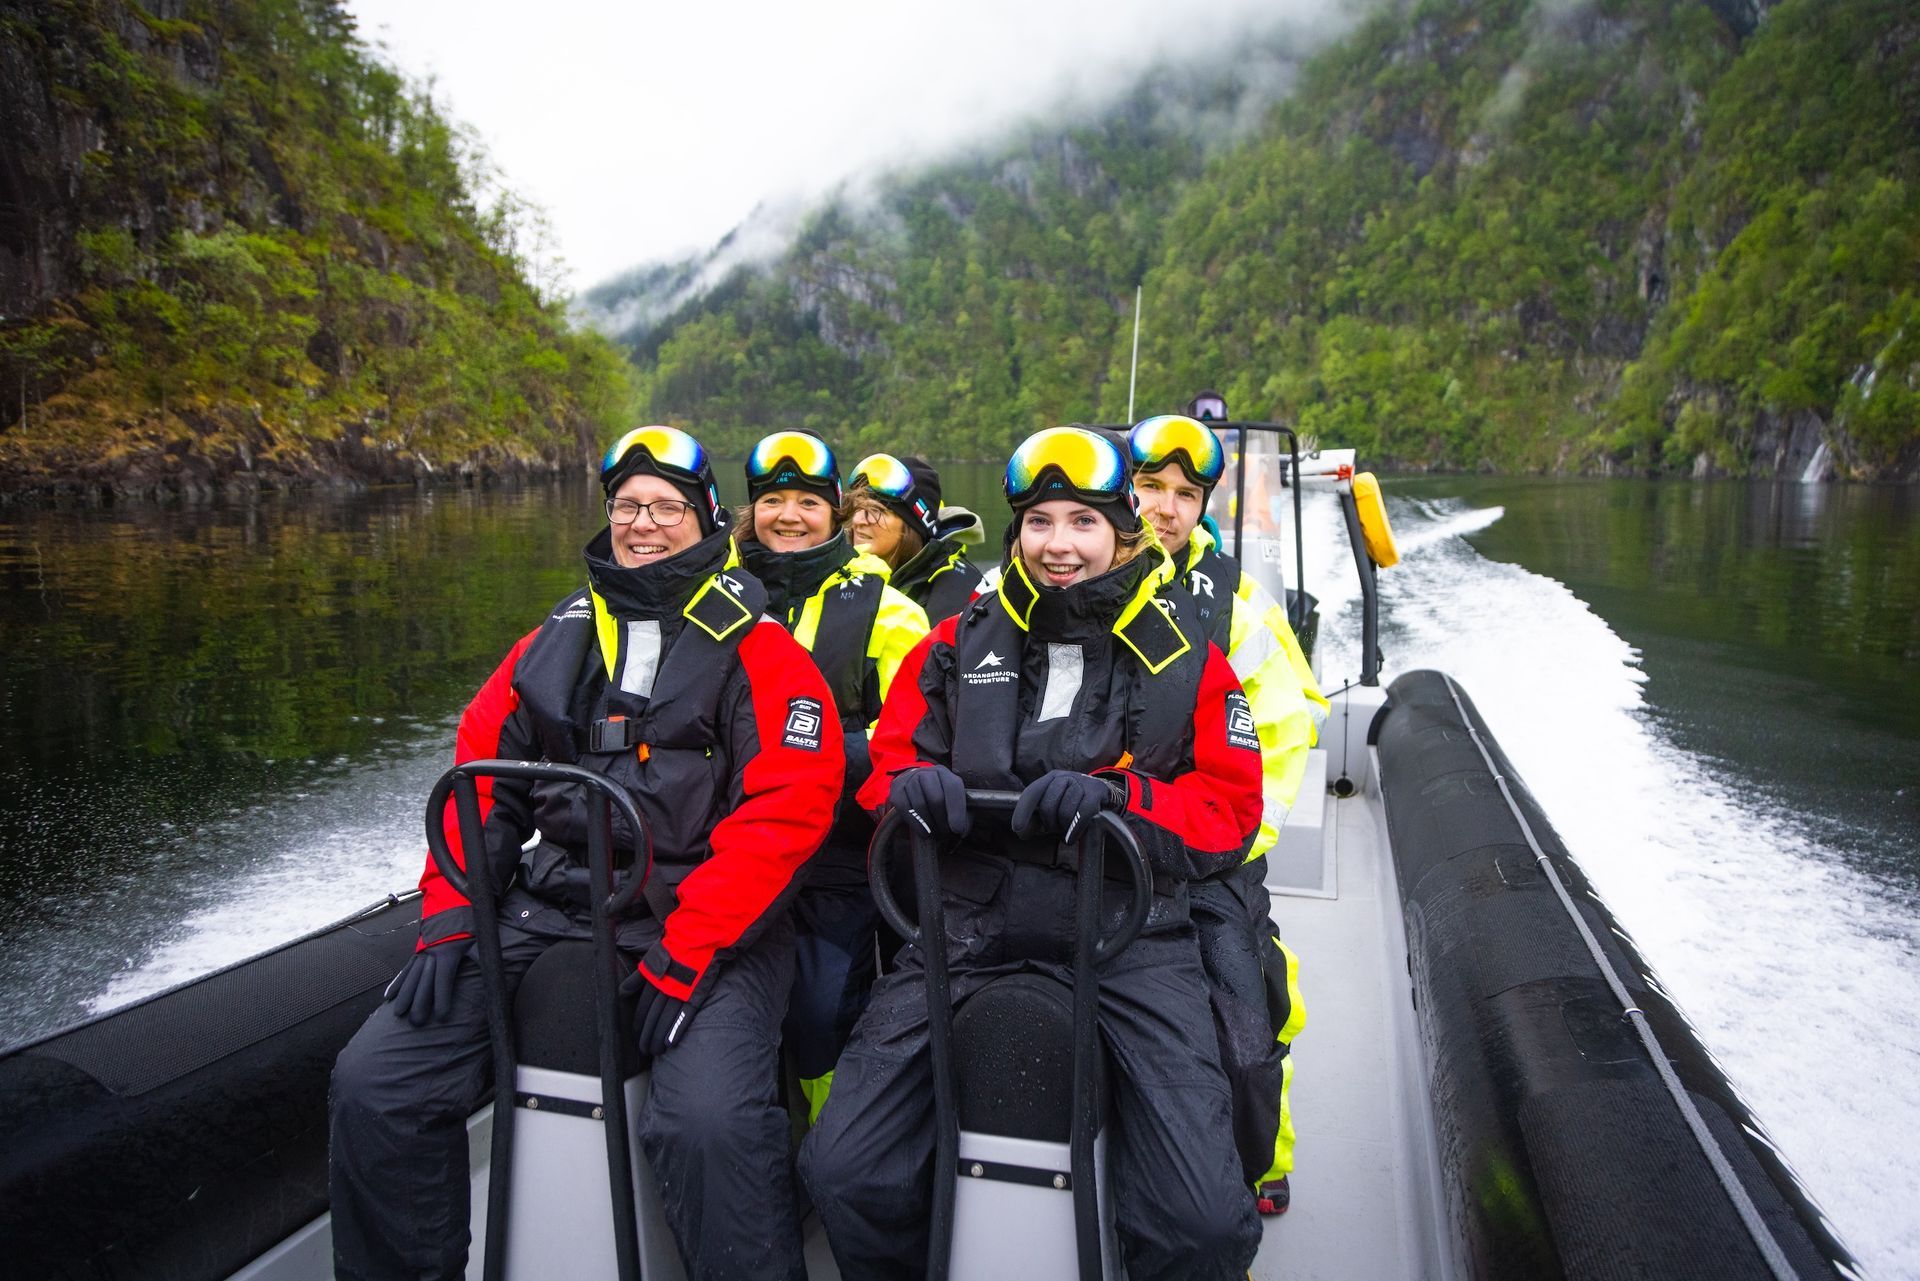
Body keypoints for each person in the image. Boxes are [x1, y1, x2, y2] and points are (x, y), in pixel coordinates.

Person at [328, 425, 844, 1281]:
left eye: (666, 507)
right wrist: (453, 915)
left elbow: (789, 808)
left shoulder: (764, 652)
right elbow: (478, 776)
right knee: (375, 1080)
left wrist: (690, 949)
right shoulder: (555, 639)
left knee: (708, 1122)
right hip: (551, 906)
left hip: (704, 929)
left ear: (708, 518)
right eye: (628, 506)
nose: (643, 524)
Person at [800, 426, 1264, 1281]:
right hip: (968, 924)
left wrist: (1126, 800)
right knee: (842, 1168)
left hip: (1129, 936)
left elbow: (1230, 810)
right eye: (1040, 522)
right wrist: (908, 789)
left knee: (1202, 1221)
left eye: (1083, 522)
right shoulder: (956, 643)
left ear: (1121, 533)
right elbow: (893, 756)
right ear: (1015, 534)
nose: (1058, 544)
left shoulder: (1191, 663)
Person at [1129, 409, 1324, 1214]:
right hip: (1100, 848)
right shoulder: (1075, 585)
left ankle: (1257, 1165)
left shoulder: (1239, 611)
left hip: (1208, 855)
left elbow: (1281, 744)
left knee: (1248, 1033)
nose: (1164, 508)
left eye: (1184, 493)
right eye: (1149, 487)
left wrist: (1224, 843)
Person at [735, 430, 930, 1120]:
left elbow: (915, 729)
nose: (788, 515)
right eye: (773, 500)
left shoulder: (891, 612)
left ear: (837, 514)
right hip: (724, 850)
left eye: (807, 502)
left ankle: (828, 1144)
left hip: (836, 854)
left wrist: (816, 760)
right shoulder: (714, 596)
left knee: (820, 1012)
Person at [845, 452, 984, 621]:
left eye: (876, 511)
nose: (859, 520)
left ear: (913, 526)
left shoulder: (961, 596)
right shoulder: (838, 572)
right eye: (858, 507)